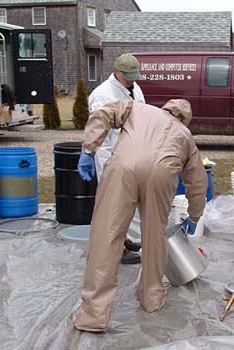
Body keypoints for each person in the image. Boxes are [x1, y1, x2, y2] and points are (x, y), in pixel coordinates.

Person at [73, 99, 208, 332]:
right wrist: (195, 215)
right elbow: (197, 182)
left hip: (124, 168)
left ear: (166, 108)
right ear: (185, 118)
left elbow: (103, 114)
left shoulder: (137, 108)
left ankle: (93, 315)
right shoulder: (185, 136)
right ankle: (151, 297)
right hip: (161, 175)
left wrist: (88, 148)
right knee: (155, 237)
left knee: (107, 235)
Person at [88, 53, 146, 264]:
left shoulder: (134, 88)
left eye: (134, 76)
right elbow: (98, 130)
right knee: (112, 204)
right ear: (116, 71)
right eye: (127, 76)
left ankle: (124, 238)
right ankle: (116, 249)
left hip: (131, 153)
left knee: (127, 202)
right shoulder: (102, 95)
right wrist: (95, 157)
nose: (131, 80)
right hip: (110, 155)